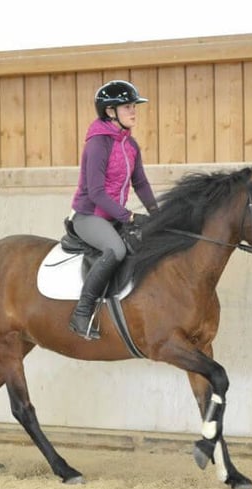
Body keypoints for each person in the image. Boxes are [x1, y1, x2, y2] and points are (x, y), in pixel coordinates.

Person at [67, 80, 159, 340]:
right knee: (116, 250)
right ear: (110, 112)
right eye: (127, 107)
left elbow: (140, 182)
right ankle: (82, 313)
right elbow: (96, 193)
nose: (133, 112)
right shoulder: (98, 144)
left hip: (113, 217)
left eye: (134, 107)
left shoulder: (131, 145)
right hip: (89, 216)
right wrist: (127, 216)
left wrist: (157, 215)